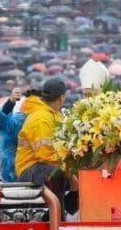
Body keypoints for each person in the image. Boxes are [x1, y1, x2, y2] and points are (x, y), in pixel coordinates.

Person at [16, 78, 78, 215]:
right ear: (61, 97)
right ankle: (57, 218)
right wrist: (69, 174)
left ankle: (59, 213)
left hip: (46, 163)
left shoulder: (55, 115)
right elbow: (45, 155)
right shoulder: (41, 118)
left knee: (85, 175)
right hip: (30, 167)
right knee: (58, 174)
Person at [0, 87, 33, 182]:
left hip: (30, 173)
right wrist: (11, 102)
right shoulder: (19, 120)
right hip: (13, 174)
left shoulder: (41, 120)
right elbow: (1, 122)